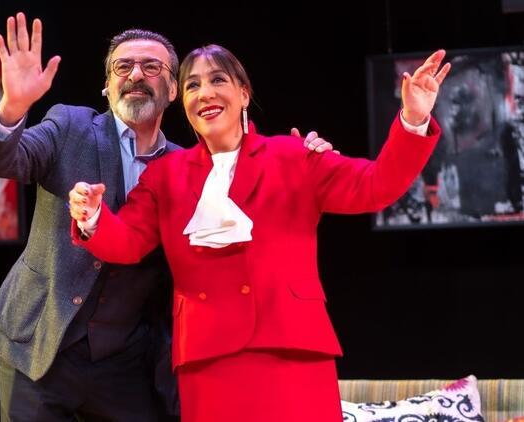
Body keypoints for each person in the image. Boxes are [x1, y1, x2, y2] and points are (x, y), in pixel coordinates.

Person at [0, 13, 335, 422]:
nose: (136, 75)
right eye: (123, 66)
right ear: (107, 85)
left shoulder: (188, 169)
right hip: (40, 341)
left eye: (152, 67)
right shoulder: (70, 126)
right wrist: (13, 107)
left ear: (174, 89)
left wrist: (302, 167)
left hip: (126, 359)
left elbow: (250, 231)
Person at [68, 44, 450, 421]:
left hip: (291, 351)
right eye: (192, 85)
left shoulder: (295, 156)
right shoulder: (165, 176)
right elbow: (128, 241)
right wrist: (93, 217)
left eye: (218, 80)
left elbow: (376, 185)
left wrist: (413, 119)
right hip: (207, 360)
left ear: (244, 93)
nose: (205, 93)